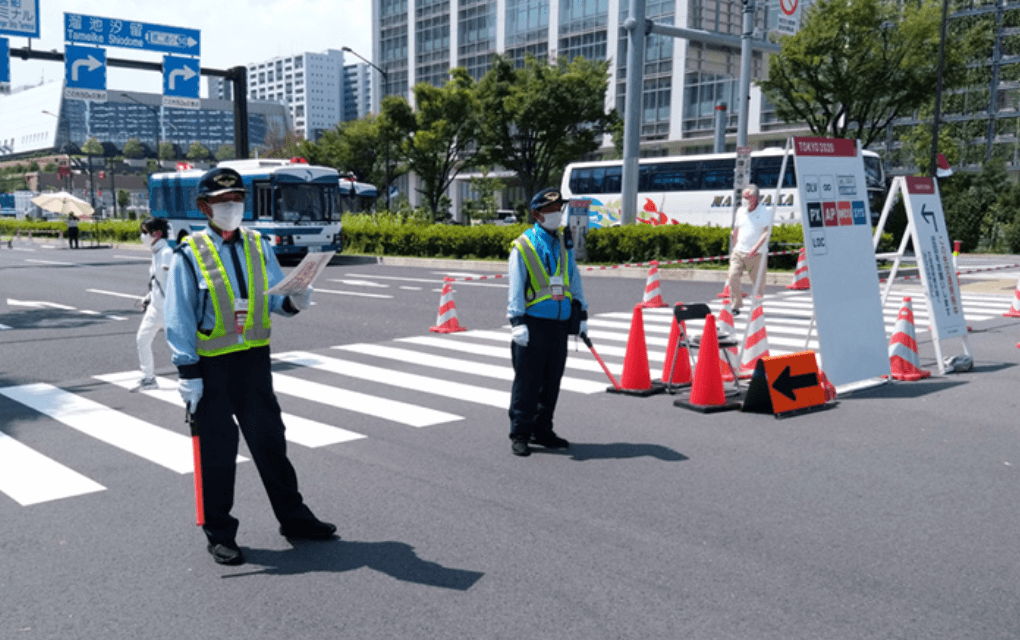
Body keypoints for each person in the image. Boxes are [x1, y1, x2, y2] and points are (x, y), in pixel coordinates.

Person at [164, 166, 334, 566]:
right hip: (212, 368)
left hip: (255, 362)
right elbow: (178, 316)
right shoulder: (189, 254)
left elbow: (275, 298)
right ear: (204, 206)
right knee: (218, 454)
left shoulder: (259, 245)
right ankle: (219, 532)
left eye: (237, 199)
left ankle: (294, 518)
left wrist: (295, 300)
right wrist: (187, 372)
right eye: (223, 201)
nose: (232, 206)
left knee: (272, 443)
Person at [506, 188, 588, 458]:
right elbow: (516, 286)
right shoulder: (525, 245)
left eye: (559, 210)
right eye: (551, 210)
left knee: (551, 382)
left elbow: (573, 277)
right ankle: (520, 432)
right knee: (527, 383)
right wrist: (517, 321)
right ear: (537, 214)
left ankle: (542, 429)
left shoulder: (563, 242)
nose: (557, 215)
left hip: (559, 324)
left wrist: (582, 312)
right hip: (532, 324)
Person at [135, 218, 175, 391]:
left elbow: (173, 283)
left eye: (145, 232)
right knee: (142, 339)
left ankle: (198, 379)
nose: (142, 236)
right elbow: (157, 281)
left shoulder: (166, 253)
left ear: (157, 234)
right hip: (155, 307)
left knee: (178, 348)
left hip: (168, 308)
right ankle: (148, 378)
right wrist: (149, 297)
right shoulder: (156, 252)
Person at [726, 184, 771, 315]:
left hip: (757, 253)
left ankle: (757, 306)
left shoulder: (765, 211)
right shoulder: (740, 211)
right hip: (739, 251)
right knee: (732, 275)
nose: (745, 200)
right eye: (743, 197)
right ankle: (736, 306)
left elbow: (766, 232)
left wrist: (755, 247)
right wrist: (734, 248)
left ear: (755, 198)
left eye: (748, 197)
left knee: (758, 282)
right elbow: (736, 230)